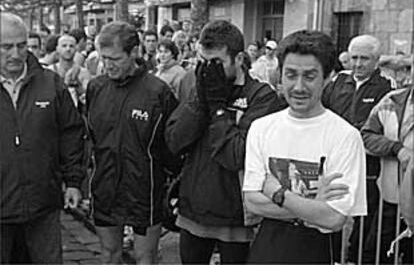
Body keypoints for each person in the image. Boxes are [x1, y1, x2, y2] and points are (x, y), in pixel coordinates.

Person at [243, 30, 367, 264]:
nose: (298, 87)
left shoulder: (345, 137)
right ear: (280, 75)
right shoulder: (261, 128)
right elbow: (252, 201)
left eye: (309, 76)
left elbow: (333, 218)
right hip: (266, 249)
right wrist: (312, 207)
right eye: (290, 75)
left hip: (318, 252)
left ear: (328, 77)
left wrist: (277, 193)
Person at [165, 20, 283, 264]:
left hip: (235, 215)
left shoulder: (262, 97)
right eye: (203, 61)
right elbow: (175, 141)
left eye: (217, 63)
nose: (209, 69)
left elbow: (236, 155)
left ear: (239, 59)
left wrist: (219, 110)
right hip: (194, 209)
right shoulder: (198, 86)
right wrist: (200, 102)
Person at [86, 21, 180, 264]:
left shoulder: (158, 92)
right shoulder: (96, 88)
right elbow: (91, 138)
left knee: (145, 257)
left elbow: (173, 146)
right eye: (103, 58)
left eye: (115, 59)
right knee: (109, 254)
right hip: (105, 185)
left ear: (134, 52)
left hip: (144, 190)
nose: (107, 65)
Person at [0, 12, 85, 264]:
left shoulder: (50, 83)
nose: (16, 54)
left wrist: (73, 181)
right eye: (6, 47)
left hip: (43, 203)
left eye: (21, 45)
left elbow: (71, 132)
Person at [322, 34, 393, 263]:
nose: (358, 64)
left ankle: (354, 258)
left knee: (364, 214)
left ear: (376, 60)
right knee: (331, 210)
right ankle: (331, 257)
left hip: (368, 166)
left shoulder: (386, 87)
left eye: (365, 58)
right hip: (334, 163)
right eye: (354, 58)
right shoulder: (338, 82)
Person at [361, 84, 413, 264]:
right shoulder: (391, 101)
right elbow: (366, 136)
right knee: (374, 256)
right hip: (392, 202)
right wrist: (395, 148)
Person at [47, 34, 91, 110]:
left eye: (71, 46)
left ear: (76, 49)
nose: (68, 49)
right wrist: (64, 84)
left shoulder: (84, 73)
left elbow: (88, 101)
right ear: (57, 49)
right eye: (64, 46)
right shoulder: (49, 71)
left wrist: (78, 86)